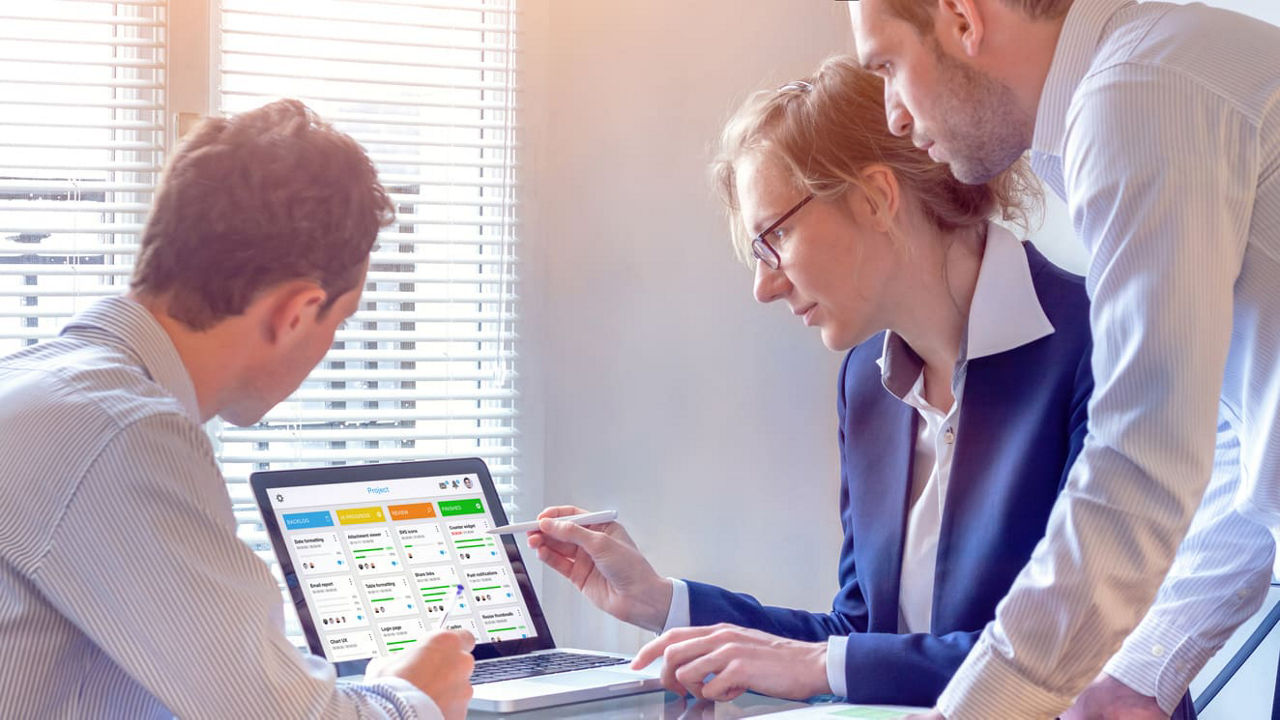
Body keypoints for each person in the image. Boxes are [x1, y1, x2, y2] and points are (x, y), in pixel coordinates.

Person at [527, 55, 1158, 711]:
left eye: (774, 238)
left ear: (875, 197)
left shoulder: (1103, 345)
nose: (763, 285)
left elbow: (1075, 655)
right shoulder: (868, 382)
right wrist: (660, 600)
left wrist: (823, 664)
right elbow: (861, 642)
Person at [845, 1, 1280, 718]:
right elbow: (1244, 447)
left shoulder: (1138, 93)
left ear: (961, 18)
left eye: (889, 66)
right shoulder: (1156, 72)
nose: (891, 114)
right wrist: (1136, 675)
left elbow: (1143, 458)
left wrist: (982, 708)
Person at [0, 100, 475, 719]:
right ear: (297, 312)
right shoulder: (120, 434)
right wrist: (413, 697)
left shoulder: (41, 387)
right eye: (341, 319)